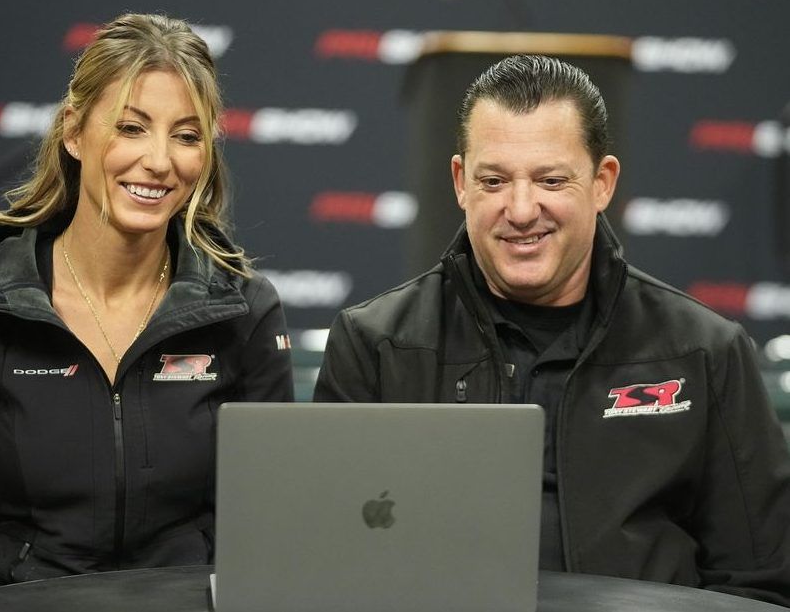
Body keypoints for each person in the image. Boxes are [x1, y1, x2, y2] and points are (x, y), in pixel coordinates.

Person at [314, 54, 790, 606]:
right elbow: (329, 569)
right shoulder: (375, 345)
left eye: (551, 179)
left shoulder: (704, 351)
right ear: (460, 182)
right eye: (494, 180)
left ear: (602, 182)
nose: (521, 209)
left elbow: (761, 585)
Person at [0, 13, 294, 601]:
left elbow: (268, 534)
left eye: (187, 136)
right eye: (131, 128)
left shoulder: (245, 311)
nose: (161, 161)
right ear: (73, 132)